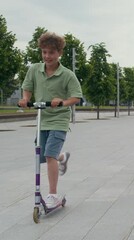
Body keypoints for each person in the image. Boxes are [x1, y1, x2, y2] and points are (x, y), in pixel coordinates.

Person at [18, 32, 82, 208]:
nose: (47, 56)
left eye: (51, 53)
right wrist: (25, 99)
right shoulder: (34, 69)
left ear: (59, 53)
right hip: (42, 119)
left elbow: (76, 97)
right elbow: (27, 88)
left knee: (47, 155)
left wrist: (62, 102)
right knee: (45, 156)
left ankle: (52, 195)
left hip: (59, 119)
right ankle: (61, 157)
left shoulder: (67, 75)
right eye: (44, 52)